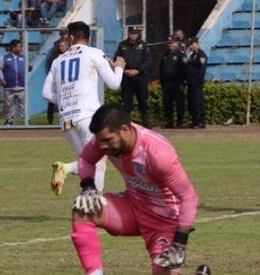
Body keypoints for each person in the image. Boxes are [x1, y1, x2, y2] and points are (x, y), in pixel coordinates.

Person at [70, 104, 198, 275]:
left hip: (164, 221)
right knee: (83, 208)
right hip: (132, 206)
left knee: (164, 272)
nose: (101, 146)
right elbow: (86, 159)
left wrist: (180, 242)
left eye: (107, 140)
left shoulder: (157, 153)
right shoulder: (104, 140)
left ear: (124, 129)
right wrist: (88, 187)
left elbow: (188, 196)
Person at [42, 21, 126, 195]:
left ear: (71, 37)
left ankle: (88, 196)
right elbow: (114, 84)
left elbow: (46, 93)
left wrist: (66, 101)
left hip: (66, 119)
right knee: (98, 160)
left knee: (88, 160)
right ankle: (91, 199)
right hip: (87, 115)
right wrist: (118, 68)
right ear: (89, 37)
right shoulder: (94, 53)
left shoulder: (58, 60)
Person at [113, 27, 152, 128]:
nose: (134, 35)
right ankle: (126, 124)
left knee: (143, 101)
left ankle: (146, 124)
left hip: (140, 77)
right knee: (127, 103)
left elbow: (148, 61)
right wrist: (123, 70)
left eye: (136, 33)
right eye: (132, 33)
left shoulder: (143, 45)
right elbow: (117, 59)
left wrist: (138, 70)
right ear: (128, 34)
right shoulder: (122, 45)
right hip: (127, 77)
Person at [0, 39, 26, 125]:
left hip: (21, 85)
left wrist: (30, 67)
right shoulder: (4, 58)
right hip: (9, 85)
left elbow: (27, 68)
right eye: (19, 46)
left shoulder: (23, 57)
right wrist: (2, 79)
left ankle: (25, 120)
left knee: (23, 104)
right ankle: (9, 120)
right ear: (13, 47)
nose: (20, 48)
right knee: (9, 105)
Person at [159, 38, 186, 129]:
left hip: (177, 83)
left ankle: (180, 122)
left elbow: (184, 70)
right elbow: (161, 69)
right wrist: (161, 81)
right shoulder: (165, 55)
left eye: (172, 43)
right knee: (167, 103)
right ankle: (169, 122)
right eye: (169, 43)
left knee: (179, 103)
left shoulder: (180, 54)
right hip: (166, 83)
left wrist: (182, 83)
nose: (170, 45)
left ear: (176, 44)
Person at [45, 37, 69, 125]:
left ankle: (67, 120)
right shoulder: (55, 56)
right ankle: (50, 120)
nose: (61, 48)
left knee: (67, 101)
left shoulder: (71, 55)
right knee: (51, 101)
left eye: (62, 46)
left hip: (67, 82)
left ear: (67, 46)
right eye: (60, 46)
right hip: (57, 81)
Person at [185, 37, 207, 129]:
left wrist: (195, 81)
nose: (190, 46)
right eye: (189, 45)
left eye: (192, 44)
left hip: (197, 84)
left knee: (198, 102)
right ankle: (194, 121)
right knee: (191, 103)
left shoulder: (201, 55)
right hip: (190, 83)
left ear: (197, 44)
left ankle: (201, 121)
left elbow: (201, 71)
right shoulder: (192, 55)